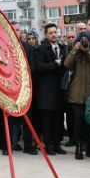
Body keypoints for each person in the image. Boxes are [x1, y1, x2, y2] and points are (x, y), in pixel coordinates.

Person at [64, 31, 90, 157]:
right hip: (77, 93)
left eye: (87, 41)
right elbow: (66, 64)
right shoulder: (74, 53)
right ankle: (78, 147)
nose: (84, 43)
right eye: (82, 41)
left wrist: (87, 50)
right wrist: (75, 50)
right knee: (79, 120)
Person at [33, 23, 67, 155]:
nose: (54, 34)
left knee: (58, 119)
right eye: (51, 32)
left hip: (59, 89)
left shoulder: (63, 48)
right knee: (47, 119)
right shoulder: (41, 49)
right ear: (46, 35)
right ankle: (48, 145)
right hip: (46, 90)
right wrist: (54, 65)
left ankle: (57, 144)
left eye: (55, 32)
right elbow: (39, 67)